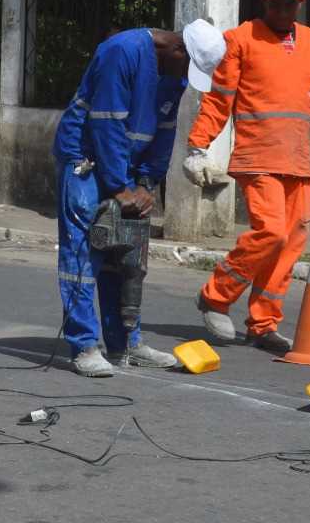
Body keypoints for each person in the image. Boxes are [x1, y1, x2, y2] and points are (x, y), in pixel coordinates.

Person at [183, 0, 310, 353]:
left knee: (290, 244)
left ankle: (263, 323)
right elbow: (218, 101)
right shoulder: (241, 40)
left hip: (298, 162)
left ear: (300, 3)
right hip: (257, 158)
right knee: (271, 233)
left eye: (290, 3)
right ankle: (215, 296)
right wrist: (197, 148)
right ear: (265, 1)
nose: (284, 10)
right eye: (277, 3)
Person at [53, 20, 227, 378]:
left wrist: (148, 183)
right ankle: (84, 345)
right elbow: (107, 122)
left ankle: (125, 343)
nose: (184, 78)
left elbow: (165, 130)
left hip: (127, 169)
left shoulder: (174, 72)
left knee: (126, 255)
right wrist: (120, 187)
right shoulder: (122, 51)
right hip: (86, 160)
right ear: (177, 49)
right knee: (85, 253)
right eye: (187, 68)